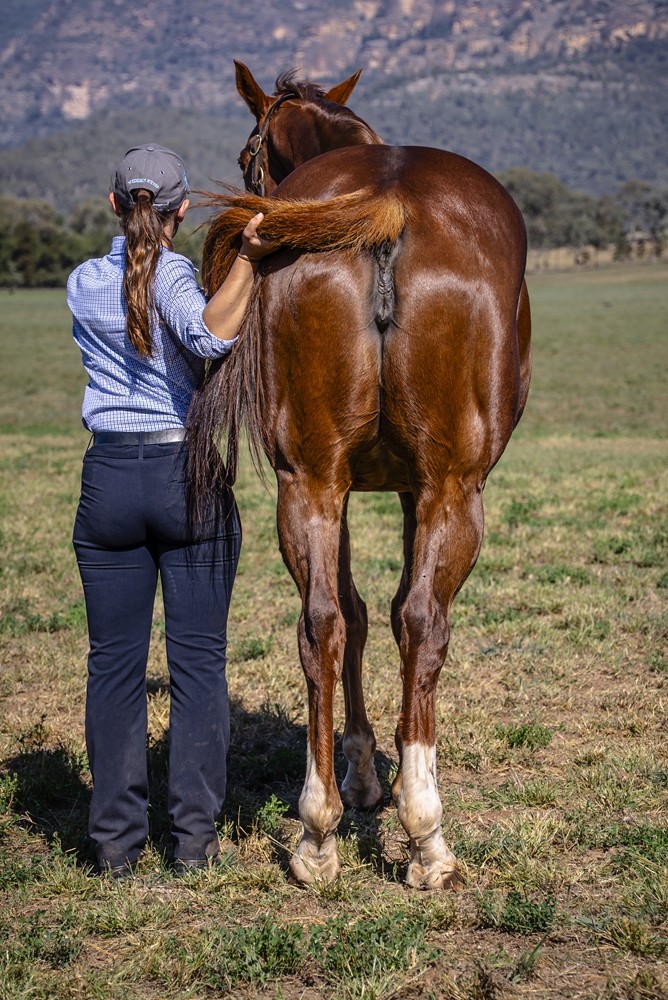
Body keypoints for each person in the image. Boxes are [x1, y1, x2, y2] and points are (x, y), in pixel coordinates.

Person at [68, 143, 276, 878]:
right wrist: (249, 257)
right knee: (197, 666)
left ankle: (117, 849)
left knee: (113, 669)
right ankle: (193, 846)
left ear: (117, 206)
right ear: (182, 211)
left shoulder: (81, 282)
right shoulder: (177, 272)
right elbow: (210, 334)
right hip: (184, 475)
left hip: (107, 481)